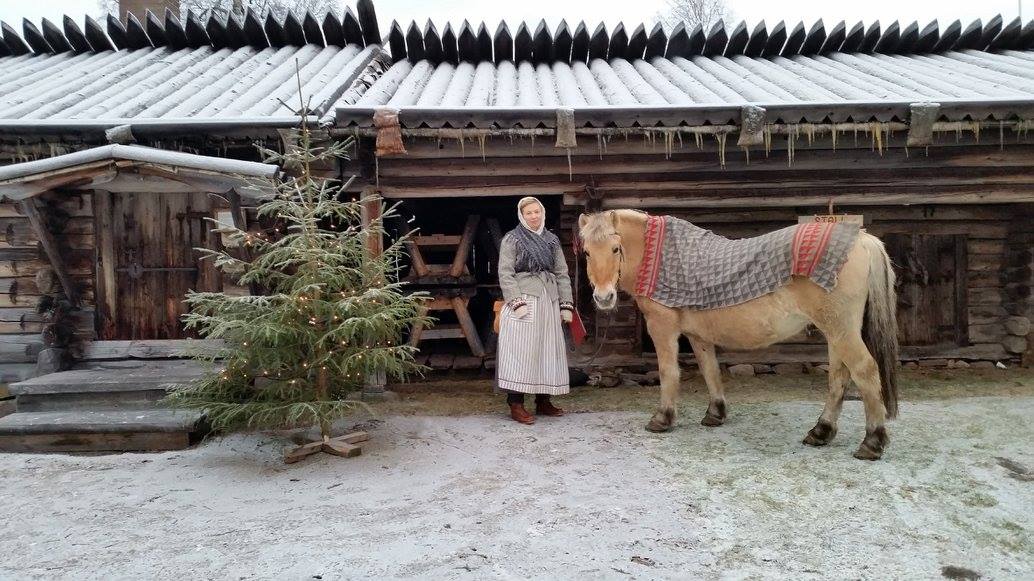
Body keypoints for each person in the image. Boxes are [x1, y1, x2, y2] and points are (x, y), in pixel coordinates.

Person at [496, 196, 574, 424]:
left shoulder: (552, 240)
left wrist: (565, 304)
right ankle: (516, 404)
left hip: (548, 301)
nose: (533, 216)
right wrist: (516, 302)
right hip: (524, 301)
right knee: (522, 351)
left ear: (542, 213)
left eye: (536, 212)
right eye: (529, 212)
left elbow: (561, 273)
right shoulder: (512, 239)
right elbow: (505, 273)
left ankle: (543, 401)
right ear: (522, 215)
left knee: (547, 349)